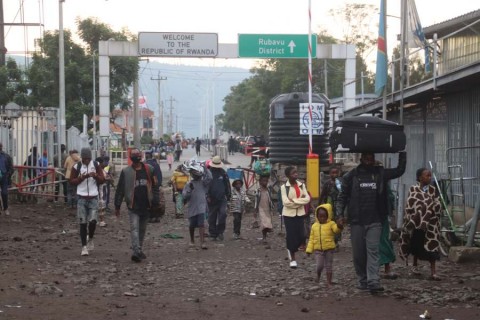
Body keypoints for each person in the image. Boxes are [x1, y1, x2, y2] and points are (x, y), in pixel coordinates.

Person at [336, 151, 406, 293]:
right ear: (361, 159)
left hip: (375, 221)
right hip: (357, 221)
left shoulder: (380, 173)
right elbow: (342, 197)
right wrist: (339, 215)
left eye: (371, 158)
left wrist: (402, 152)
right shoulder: (351, 176)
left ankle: (373, 280)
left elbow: (399, 170)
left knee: (373, 251)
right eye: (366, 158)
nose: (369, 160)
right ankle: (363, 280)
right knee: (359, 254)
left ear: (374, 159)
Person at [399, 168, 442, 281]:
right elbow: (410, 205)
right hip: (417, 224)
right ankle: (415, 265)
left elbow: (438, 205)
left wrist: (429, 208)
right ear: (420, 178)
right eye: (427, 175)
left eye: (430, 175)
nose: (430, 177)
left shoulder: (433, 190)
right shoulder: (413, 189)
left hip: (431, 224)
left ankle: (433, 272)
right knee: (416, 244)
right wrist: (413, 217)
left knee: (432, 246)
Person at [114, 148, 157, 262]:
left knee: (142, 229)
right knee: (134, 229)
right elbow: (120, 189)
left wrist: (155, 201)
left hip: (146, 205)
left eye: (137, 154)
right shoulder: (126, 172)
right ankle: (136, 251)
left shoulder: (149, 169)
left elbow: (155, 186)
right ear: (130, 157)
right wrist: (117, 205)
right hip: (133, 206)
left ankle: (139, 248)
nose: (136, 156)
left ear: (141, 156)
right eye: (134, 154)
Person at [70, 148, 105, 256]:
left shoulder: (96, 164)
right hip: (81, 197)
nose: (87, 161)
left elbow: (102, 179)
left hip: (93, 197)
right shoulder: (77, 167)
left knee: (93, 221)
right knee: (83, 222)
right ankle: (84, 246)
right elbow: (72, 181)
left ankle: (91, 237)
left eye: (89, 159)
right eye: (85, 159)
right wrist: (82, 177)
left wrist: (95, 176)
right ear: (82, 158)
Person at [306, 204, 344, 287]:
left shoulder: (331, 223)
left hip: (329, 249)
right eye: (320, 216)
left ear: (328, 216)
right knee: (319, 266)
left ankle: (329, 282)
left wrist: (339, 226)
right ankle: (318, 275)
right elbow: (311, 239)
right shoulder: (314, 226)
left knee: (329, 266)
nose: (322, 218)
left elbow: (336, 230)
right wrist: (309, 250)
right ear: (317, 216)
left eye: (324, 216)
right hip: (318, 250)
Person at [281, 166, 311, 269]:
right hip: (288, 215)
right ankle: (292, 259)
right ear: (288, 175)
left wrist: (293, 201)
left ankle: (297, 247)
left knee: (302, 234)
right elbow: (285, 202)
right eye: (293, 173)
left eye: (296, 172)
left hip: (300, 213)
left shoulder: (301, 185)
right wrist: (299, 201)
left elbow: (307, 199)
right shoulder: (284, 187)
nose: (296, 174)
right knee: (291, 236)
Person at [182, 163, 212, 249]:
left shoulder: (203, 183)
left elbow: (210, 177)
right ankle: (192, 240)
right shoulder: (188, 184)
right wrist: (190, 190)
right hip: (192, 207)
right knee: (192, 225)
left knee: (201, 224)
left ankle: (203, 242)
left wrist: (205, 167)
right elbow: (185, 196)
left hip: (202, 207)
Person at [207, 156, 231, 241]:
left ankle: (220, 231)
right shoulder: (208, 173)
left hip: (222, 198)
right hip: (211, 199)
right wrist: (207, 196)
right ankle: (213, 234)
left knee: (223, 214)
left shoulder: (223, 173)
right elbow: (206, 186)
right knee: (212, 217)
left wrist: (228, 196)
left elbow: (227, 185)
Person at [254, 175, 274, 243]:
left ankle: (265, 235)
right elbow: (256, 201)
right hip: (261, 208)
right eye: (263, 181)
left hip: (267, 209)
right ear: (260, 182)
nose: (265, 182)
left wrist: (272, 208)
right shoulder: (258, 191)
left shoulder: (268, 190)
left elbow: (270, 200)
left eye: (266, 181)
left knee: (267, 222)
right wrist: (255, 210)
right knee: (263, 223)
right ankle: (264, 237)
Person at [145, 151, 163, 223]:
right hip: (155, 185)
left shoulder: (144, 164)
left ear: (146, 156)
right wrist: (159, 184)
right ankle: (157, 217)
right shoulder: (156, 164)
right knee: (156, 200)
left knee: (148, 201)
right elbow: (159, 175)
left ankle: (151, 216)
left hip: (147, 185)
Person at [0, 143, 13, 216]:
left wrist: (8, 175)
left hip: (4, 177)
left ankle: (6, 208)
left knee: (4, 193)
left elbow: (11, 168)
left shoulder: (6, 156)